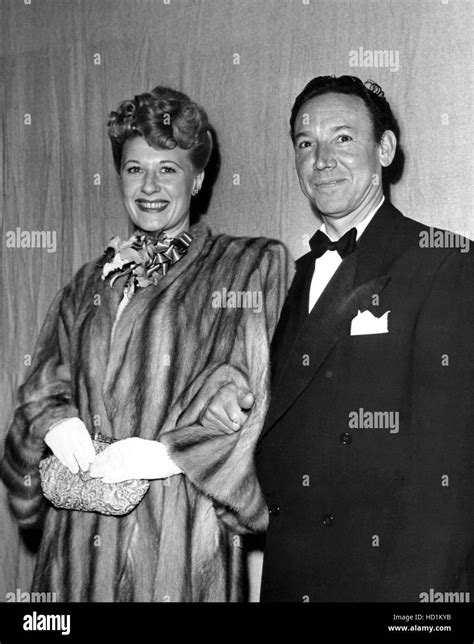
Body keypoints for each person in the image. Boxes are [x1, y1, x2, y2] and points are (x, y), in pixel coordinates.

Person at [1, 86, 290, 602]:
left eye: (168, 169)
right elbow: (37, 392)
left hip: (178, 550)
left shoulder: (248, 267)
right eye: (135, 169)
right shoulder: (89, 283)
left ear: (197, 179)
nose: (149, 186)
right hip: (74, 552)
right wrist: (54, 421)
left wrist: (169, 455)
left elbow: (263, 400)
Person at [202, 75, 474, 602]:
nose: (321, 159)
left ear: (386, 149)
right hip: (291, 577)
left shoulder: (446, 263)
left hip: (392, 583)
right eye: (306, 143)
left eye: (343, 138)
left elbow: (450, 475)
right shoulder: (280, 281)